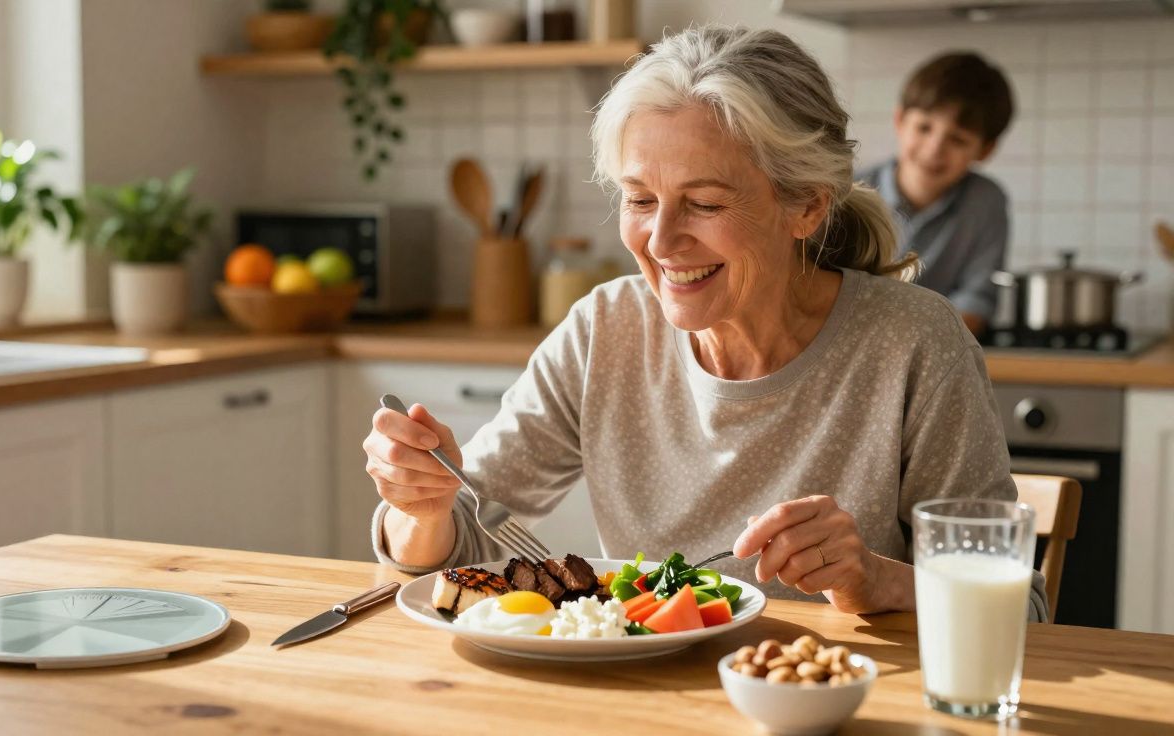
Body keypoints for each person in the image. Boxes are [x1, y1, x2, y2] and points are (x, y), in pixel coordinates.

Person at [363, 26, 1047, 620]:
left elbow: (1028, 610)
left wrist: (879, 579)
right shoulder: (606, 328)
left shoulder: (913, 342)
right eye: (639, 198)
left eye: (705, 204)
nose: (660, 241)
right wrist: (417, 508)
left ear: (806, 207)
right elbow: (459, 546)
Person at [859, 52, 1015, 337]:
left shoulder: (986, 202)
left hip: (938, 353)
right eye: (924, 128)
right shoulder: (847, 190)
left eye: (957, 139)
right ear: (900, 121)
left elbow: (977, 300)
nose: (934, 150)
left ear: (985, 150)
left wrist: (907, 341)